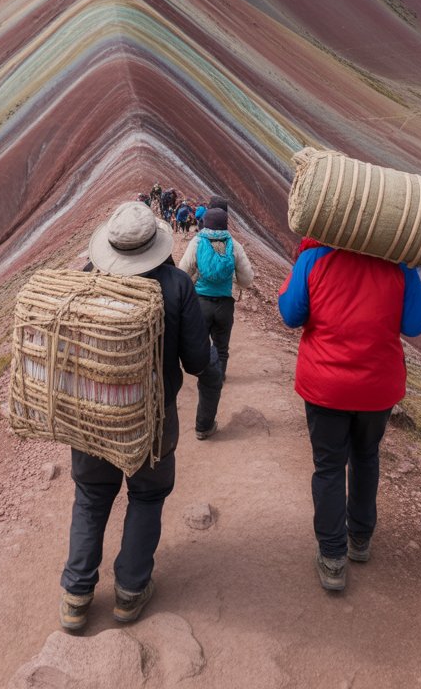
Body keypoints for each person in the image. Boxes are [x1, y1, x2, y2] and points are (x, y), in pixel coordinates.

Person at [59, 201, 211, 631]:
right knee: (145, 497)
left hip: (91, 417)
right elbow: (199, 361)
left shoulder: (88, 279)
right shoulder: (177, 286)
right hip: (152, 421)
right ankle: (129, 592)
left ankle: (75, 596)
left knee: (90, 498)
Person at [277, 238, 421, 592]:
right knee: (366, 456)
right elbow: (415, 325)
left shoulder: (314, 259)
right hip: (377, 389)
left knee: (329, 466)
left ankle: (333, 558)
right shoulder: (398, 266)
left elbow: (291, 314)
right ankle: (360, 540)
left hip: (325, 387)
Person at [179, 206, 255, 437]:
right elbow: (247, 279)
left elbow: (183, 271)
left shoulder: (197, 242)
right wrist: (236, 283)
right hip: (224, 304)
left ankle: (205, 375)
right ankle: (218, 379)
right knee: (221, 347)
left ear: (205, 223)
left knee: (201, 344)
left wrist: (192, 284)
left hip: (201, 303)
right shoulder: (234, 245)